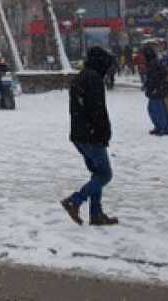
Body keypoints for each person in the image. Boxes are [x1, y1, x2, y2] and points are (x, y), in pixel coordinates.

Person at [61, 47, 118, 226]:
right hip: (91, 135)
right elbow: (97, 110)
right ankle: (75, 201)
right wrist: (103, 132)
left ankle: (96, 213)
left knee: (97, 174)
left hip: (80, 134)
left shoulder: (82, 77)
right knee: (105, 175)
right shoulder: (93, 79)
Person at [142, 47, 168, 136]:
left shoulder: (154, 64)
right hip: (156, 90)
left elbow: (156, 78)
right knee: (154, 108)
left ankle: (164, 127)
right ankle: (160, 126)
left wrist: (153, 87)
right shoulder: (154, 63)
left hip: (157, 90)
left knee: (158, 109)